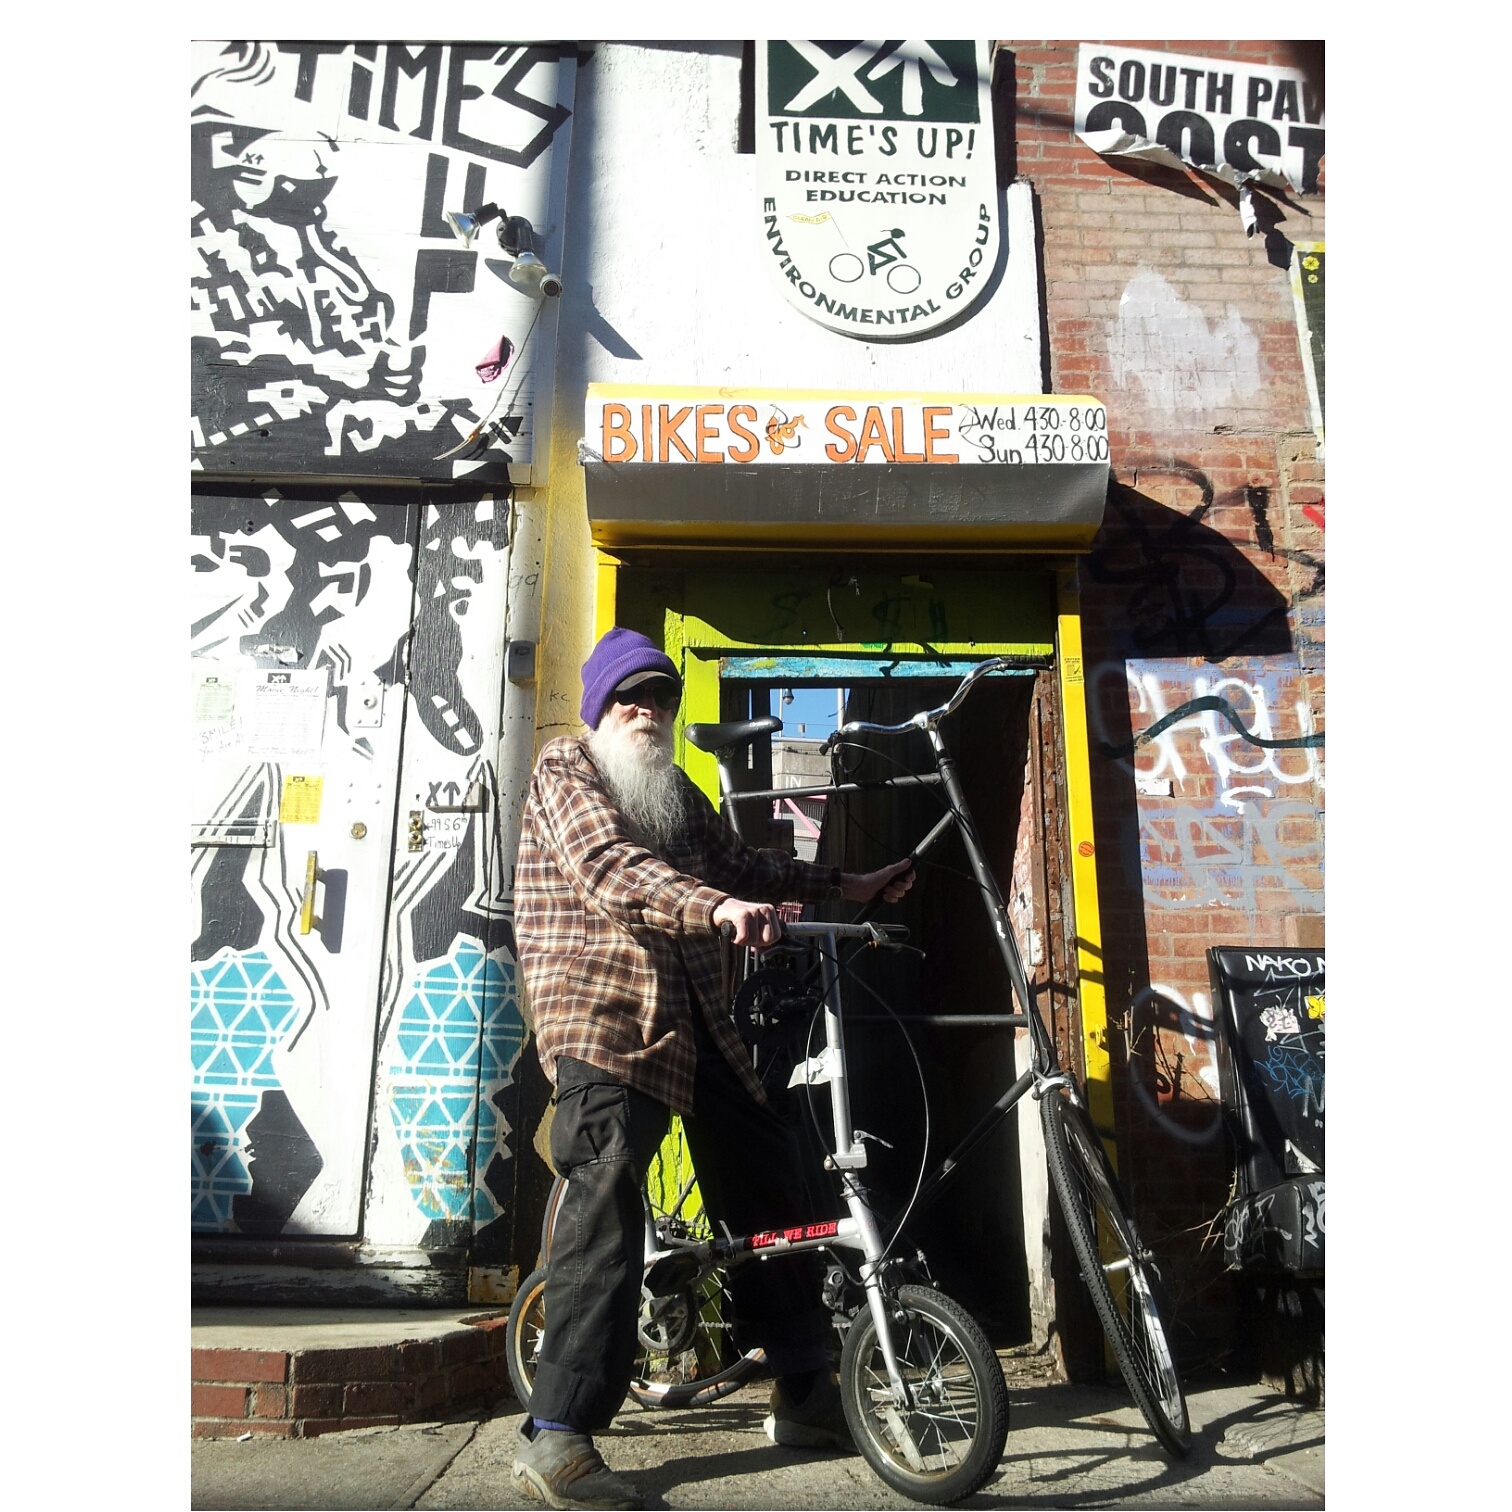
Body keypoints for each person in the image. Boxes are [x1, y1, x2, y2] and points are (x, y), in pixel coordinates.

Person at [511, 627, 913, 1509]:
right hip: (604, 1018)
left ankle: (805, 1388)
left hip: (697, 1024)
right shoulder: (565, 771)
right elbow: (613, 871)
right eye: (629, 698)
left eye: (660, 698)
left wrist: (848, 884)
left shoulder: (673, 794)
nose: (647, 712)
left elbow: (747, 862)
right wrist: (721, 908)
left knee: (772, 1173)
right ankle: (558, 1431)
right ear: (598, 710)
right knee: (609, 1194)